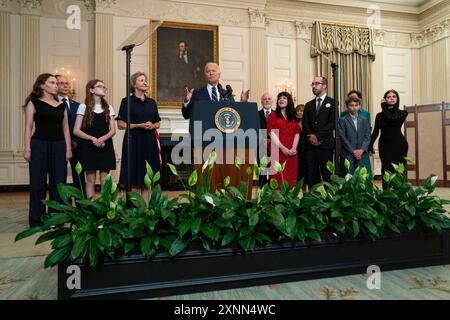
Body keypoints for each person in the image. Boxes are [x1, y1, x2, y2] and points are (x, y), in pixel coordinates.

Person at [23, 73, 72, 227]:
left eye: (57, 83)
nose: (56, 85)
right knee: (37, 184)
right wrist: (27, 148)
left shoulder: (62, 105)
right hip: (39, 145)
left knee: (58, 184)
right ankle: (37, 220)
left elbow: (66, 129)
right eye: (52, 82)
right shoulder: (33, 103)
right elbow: (28, 127)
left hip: (59, 146)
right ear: (42, 85)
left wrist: (68, 149)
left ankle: (56, 219)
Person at [117, 72, 161, 201]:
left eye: (145, 80)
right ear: (134, 84)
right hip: (133, 141)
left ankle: (146, 211)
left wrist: (152, 126)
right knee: (134, 176)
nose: (145, 82)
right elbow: (120, 124)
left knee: (147, 178)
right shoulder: (126, 101)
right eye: (141, 80)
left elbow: (157, 122)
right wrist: (139, 125)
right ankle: (135, 210)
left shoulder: (151, 102)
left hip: (149, 142)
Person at [73, 80, 116, 198]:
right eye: (99, 86)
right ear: (91, 90)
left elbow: (113, 130)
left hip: (105, 146)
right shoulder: (83, 106)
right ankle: (90, 210)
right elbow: (76, 130)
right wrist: (93, 139)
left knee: (105, 181)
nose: (103, 88)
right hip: (88, 147)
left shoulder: (109, 107)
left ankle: (105, 209)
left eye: (104, 86)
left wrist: (102, 139)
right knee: (90, 181)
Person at [369, 89, 408, 189]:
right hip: (384, 146)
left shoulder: (403, 113)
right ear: (385, 99)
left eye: (394, 96)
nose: (391, 98)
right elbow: (376, 132)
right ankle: (386, 194)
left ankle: (400, 194)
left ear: (397, 99)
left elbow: (391, 118)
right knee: (386, 170)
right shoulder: (379, 116)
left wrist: (383, 107)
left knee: (399, 170)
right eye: (388, 97)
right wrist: (370, 145)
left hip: (399, 145)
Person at [181, 62, 250, 119]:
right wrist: (186, 101)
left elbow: (234, 114)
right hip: (203, 131)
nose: (211, 73)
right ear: (205, 75)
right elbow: (186, 115)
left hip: (223, 132)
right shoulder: (197, 94)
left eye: (213, 71)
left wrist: (243, 102)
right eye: (208, 71)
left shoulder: (227, 94)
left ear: (219, 74)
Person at [302, 76, 336, 187]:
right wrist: (312, 137)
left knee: (327, 175)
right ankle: (314, 200)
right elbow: (305, 124)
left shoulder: (333, 102)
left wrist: (318, 137)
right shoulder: (308, 105)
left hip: (325, 145)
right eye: (312, 84)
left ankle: (329, 202)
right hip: (310, 146)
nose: (314, 86)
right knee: (312, 176)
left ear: (324, 85)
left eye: (317, 83)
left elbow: (332, 123)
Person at [56, 74, 85, 192]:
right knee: (59, 177)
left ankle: (81, 207)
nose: (65, 85)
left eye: (67, 83)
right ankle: (61, 207)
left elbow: (82, 126)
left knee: (79, 177)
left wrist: (75, 142)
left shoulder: (78, 106)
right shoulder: (52, 105)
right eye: (61, 83)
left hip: (77, 146)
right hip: (58, 144)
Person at [267, 92, 300, 187]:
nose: (281, 100)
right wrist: (283, 148)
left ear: (289, 100)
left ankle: (289, 201)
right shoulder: (273, 116)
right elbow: (271, 133)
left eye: (284, 98)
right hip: (277, 151)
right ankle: (277, 201)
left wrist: (293, 148)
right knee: (277, 180)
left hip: (292, 153)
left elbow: (297, 133)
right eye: (279, 98)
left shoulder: (293, 117)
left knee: (290, 180)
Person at [340, 90, 372, 178]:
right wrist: (353, 151)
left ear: (359, 106)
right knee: (348, 178)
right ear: (347, 106)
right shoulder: (343, 120)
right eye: (351, 105)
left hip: (361, 154)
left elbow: (368, 136)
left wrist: (361, 150)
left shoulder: (364, 119)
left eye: (356, 105)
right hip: (348, 154)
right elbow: (342, 137)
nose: (354, 108)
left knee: (360, 178)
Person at [258, 92, 273, 187]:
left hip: (274, 146)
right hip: (261, 146)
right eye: (264, 99)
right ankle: (262, 196)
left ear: (272, 101)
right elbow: (254, 129)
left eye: (269, 99)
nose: (267, 100)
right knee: (262, 172)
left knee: (274, 172)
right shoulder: (256, 114)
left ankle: (274, 195)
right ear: (261, 101)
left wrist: (271, 141)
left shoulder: (277, 114)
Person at [295, 104, 307, 187]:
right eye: (298, 111)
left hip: (307, 150)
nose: (299, 112)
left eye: (302, 111)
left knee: (307, 171)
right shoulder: (293, 123)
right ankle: (300, 189)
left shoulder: (308, 123)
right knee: (299, 171)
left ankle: (306, 193)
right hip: (297, 151)